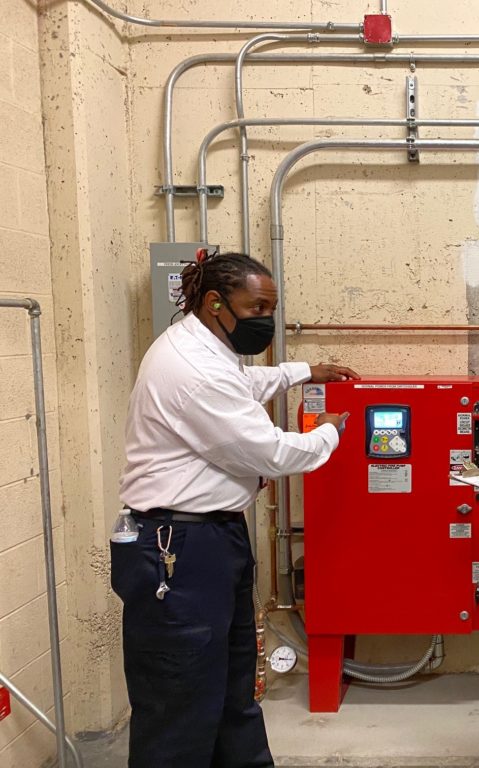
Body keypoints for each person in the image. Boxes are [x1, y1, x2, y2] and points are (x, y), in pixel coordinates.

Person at [113, 251, 359, 767]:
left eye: (272, 307)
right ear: (214, 302)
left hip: (209, 541)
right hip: (178, 552)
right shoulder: (193, 370)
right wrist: (332, 430)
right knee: (179, 704)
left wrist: (302, 371)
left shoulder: (201, 348)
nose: (265, 319)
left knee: (231, 688)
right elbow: (272, 452)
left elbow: (242, 385)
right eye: (257, 307)